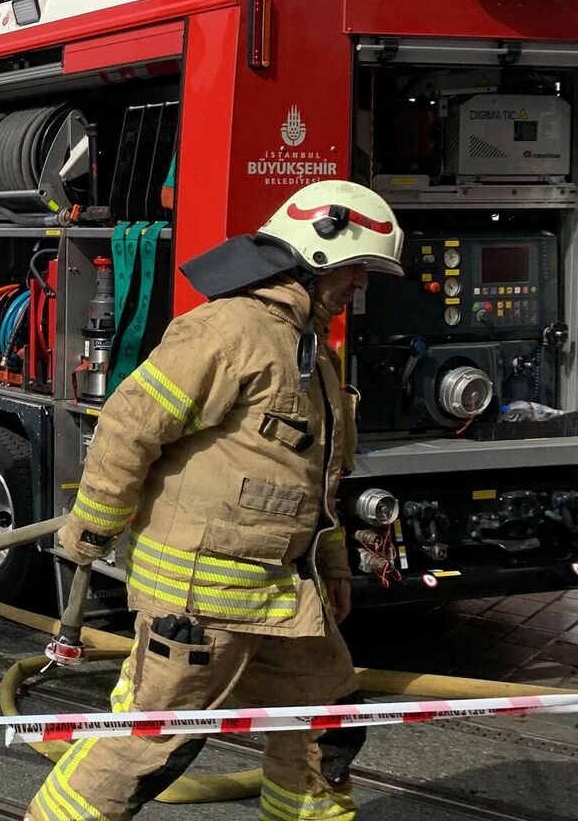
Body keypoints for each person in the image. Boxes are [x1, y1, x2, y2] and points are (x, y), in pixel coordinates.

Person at [27, 180, 404, 821]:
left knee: (325, 722)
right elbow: (129, 426)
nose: (359, 287)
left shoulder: (311, 349)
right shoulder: (228, 331)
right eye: (355, 270)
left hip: (285, 594)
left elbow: (317, 479)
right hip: (203, 598)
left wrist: (334, 567)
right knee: (152, 745)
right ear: (314, 257)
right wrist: (91, 531)